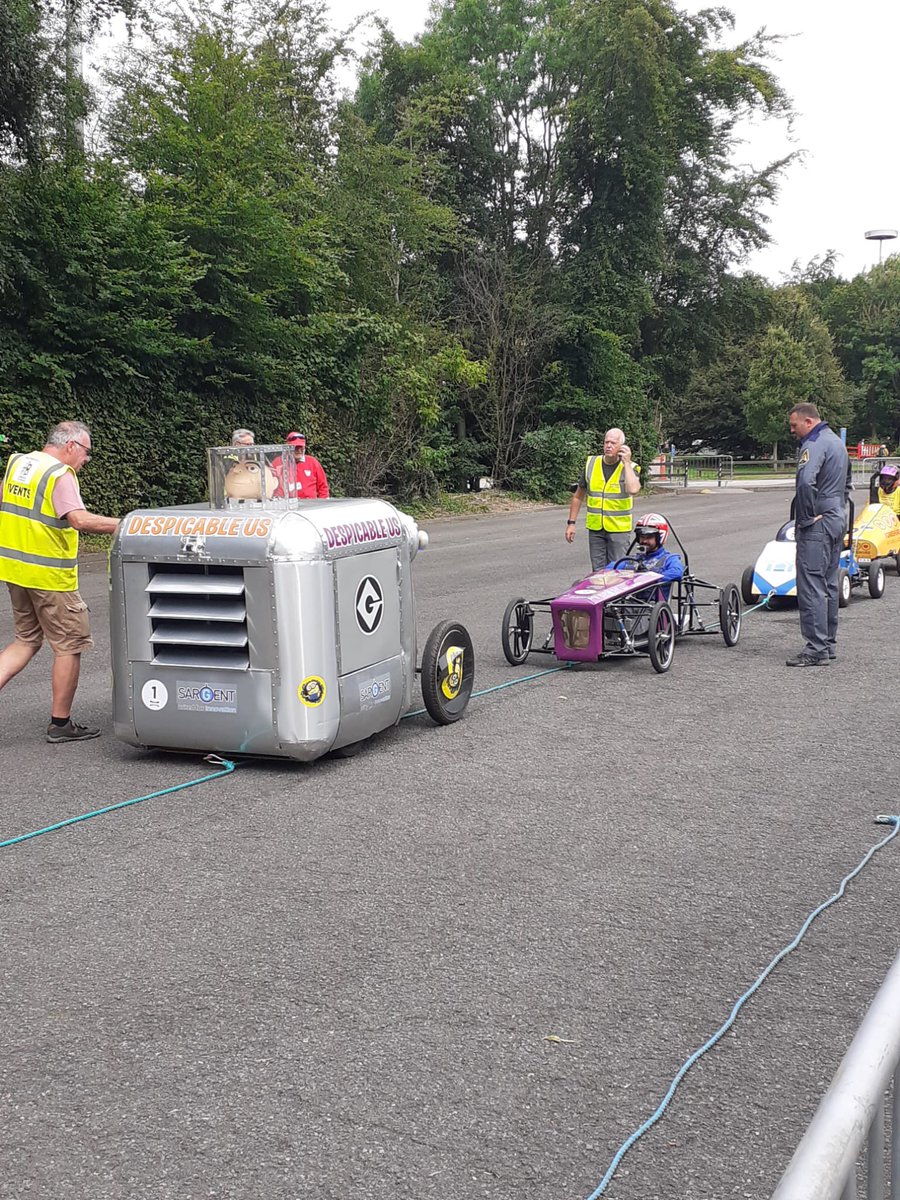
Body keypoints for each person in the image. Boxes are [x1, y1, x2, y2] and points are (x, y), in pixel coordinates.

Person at [0, 421, 120, 741]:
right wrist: (126, 524)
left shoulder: (18, 463)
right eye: (86, 452)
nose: (86, 460)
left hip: (15, 571)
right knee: (69, 645)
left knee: (25, 641)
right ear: (70, 446)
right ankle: (61, 724)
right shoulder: (59, 474)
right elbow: (79, 520)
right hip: (51, 577)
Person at [787, 402, 852, 667]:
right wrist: (838, 510)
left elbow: (805, 482)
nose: (792, 431)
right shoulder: (837, 443)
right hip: (836, 519)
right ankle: (828, 643)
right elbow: (847, 484)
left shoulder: (813, 445)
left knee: (812, 585)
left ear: (809, 422)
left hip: (818, 525)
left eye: (794, 425)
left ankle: (816, 649)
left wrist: (804, 518)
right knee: (829, 584)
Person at [566, 428, 641, 569]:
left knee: (618, 570)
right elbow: (578, 496)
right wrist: (571, 523)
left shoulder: (631, 467)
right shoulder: (592, 464)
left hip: (619, 529)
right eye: (606, 442)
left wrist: (626, 463)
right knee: (598, 573)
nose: (608, 446)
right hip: (596, 529)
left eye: (613, 443)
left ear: (622, 447)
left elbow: (633, 489)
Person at [614, 512, 685, 594]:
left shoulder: (670, 559)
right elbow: (608, 570)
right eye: (642, 537)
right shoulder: (630, 560)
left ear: (660, 538)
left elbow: (676, 572)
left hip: (654, 603)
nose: (644, 541)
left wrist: (646, 579)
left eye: (649, 537)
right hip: (626, 603)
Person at [272, 432, 329, 499]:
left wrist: (322, 505)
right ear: (288, 448)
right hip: (286, 504)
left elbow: (323, 487)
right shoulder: (277, 462)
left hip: (310, 506)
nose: (299, 450)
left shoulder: (313, 462)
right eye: (296, 447)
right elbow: (270, 485)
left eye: (301, 447)